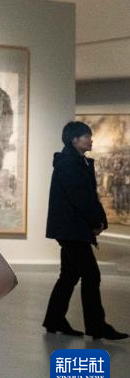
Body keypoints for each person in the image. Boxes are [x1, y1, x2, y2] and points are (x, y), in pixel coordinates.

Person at [43, 121, 128, 340]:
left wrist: (99, 220)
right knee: (91, 275)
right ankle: (96, 326)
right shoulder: (69, 163)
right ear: (74, 139)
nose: (91, 140)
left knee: (70, 275)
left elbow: (88, 195)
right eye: (87, 136)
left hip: (72, 229)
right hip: (72, 229)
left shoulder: (77, 161)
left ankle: (54, 319)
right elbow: (80, 198)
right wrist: (95, 221)